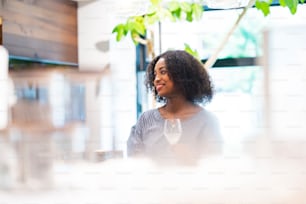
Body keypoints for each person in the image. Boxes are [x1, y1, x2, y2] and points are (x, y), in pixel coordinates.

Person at [127, 50, 222, 164]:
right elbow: (134, 161)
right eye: (155, 74)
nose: (156, 79)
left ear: (181, 75)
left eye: (163, 72)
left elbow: (214, 165)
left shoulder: (207, 121)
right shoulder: (146, 119)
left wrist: (193, 160)